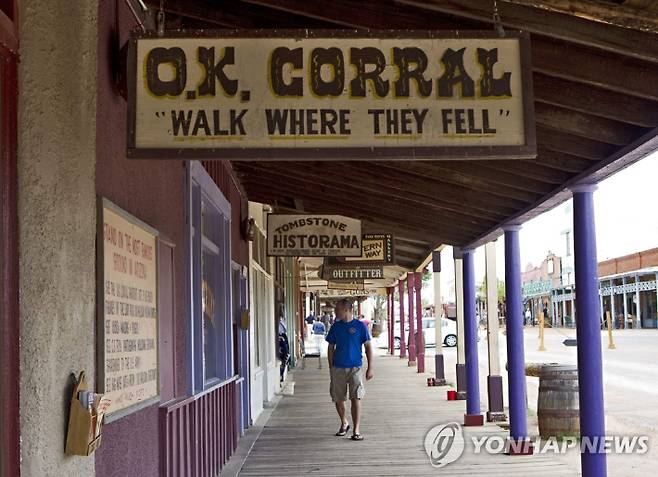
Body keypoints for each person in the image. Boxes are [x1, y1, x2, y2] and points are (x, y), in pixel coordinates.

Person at [326, 298, 373, 441]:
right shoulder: (335, 327)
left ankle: (356, 430)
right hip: (338, 367)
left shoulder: (360, 326)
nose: (335, 312)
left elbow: (368, 347)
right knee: (338, 398)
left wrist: (370, 368)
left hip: (355, 368)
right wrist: (331, 367)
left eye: (337, 309)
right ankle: (344, 422)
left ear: (346, 310)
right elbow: (330, 347)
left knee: (356, 397)